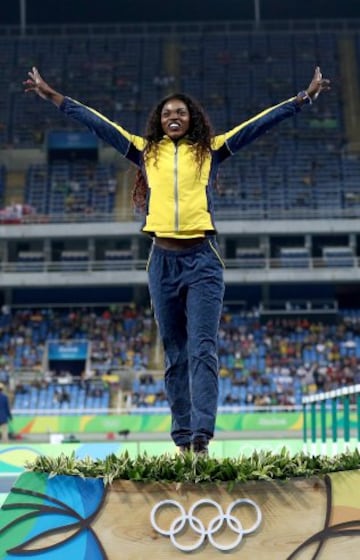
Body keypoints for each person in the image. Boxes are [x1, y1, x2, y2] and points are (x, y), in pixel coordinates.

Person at [24, 66, 330, 455]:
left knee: (202, 347)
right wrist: (53, 96)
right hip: (162, 263)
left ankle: (202, 436)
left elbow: (257, 125)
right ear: (159, 120)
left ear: (193, 119)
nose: (173, 117)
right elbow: (96, 123)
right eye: (167, 112)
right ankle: (182, 439)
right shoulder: (143, 151)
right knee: (175, 352)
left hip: (202, 262)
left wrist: (301, 99)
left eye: (181, 113)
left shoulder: (211, 150)